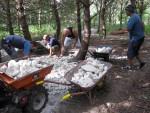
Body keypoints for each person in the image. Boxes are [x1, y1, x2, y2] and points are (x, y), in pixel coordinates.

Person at [111, 5, 145, 70]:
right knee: (135, 51)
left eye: (126, 11)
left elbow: (127, 30)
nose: (126, 12)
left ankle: (130, 67)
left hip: (136, 38)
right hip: (141, 37)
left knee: (129, 53)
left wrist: (115, 33)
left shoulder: (133, 18)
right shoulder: (137, 16)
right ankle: (141, 62)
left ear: (129, 11)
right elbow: (141, 25)